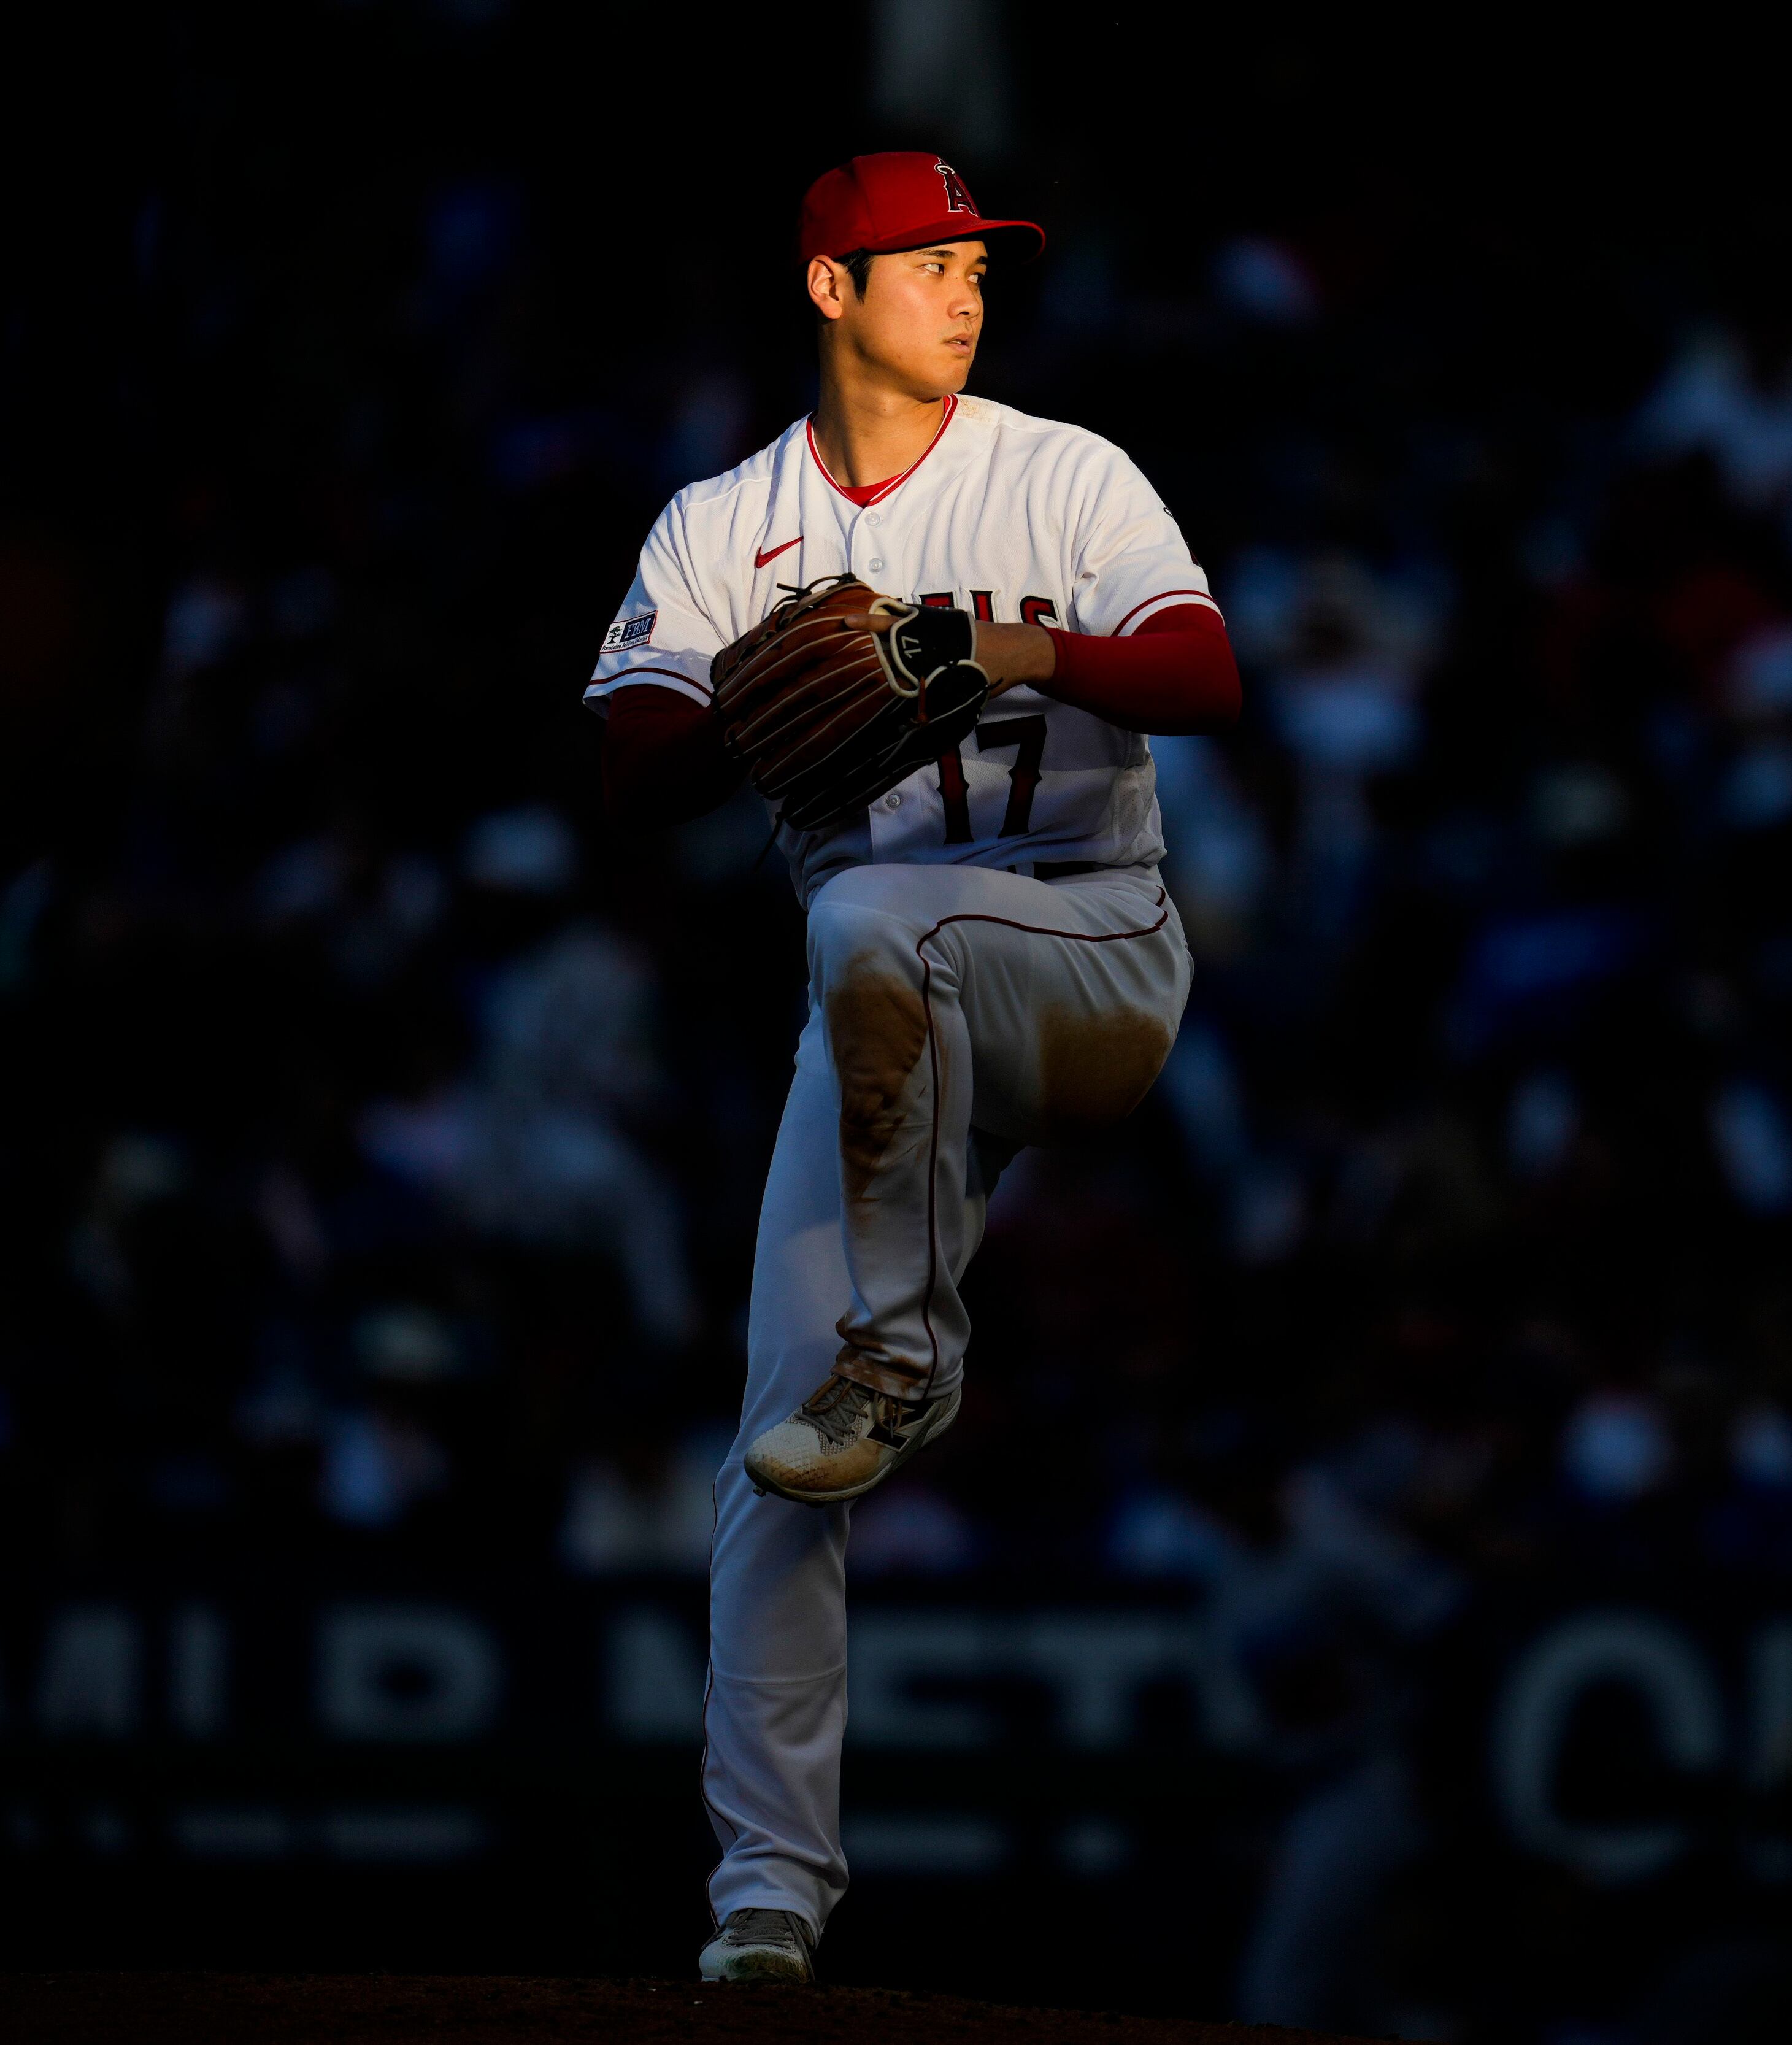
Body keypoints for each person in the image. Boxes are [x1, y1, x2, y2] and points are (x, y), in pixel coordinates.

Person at [586, 152, 1241, 1983]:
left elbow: (1204, 674)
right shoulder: (726, 523)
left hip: (1088, 945)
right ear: (828, 290)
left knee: (878, 920)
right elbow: (630, 765)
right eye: (928, 261)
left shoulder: (1061, 470)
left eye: (979, 261)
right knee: (776, 1451)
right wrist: (759, 696)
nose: (967, 289)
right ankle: (766, 1902)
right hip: (887, 1026)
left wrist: (1000, 642)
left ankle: (914, 1347)